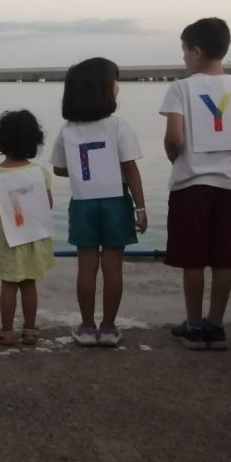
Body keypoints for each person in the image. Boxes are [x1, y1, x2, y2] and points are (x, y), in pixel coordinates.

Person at [161, 17, 231, 350]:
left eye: (184, 52)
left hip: (190, 185)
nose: (183, 59)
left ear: (197, 50)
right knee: (223, 259)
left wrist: (175, 155)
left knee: (193, 260)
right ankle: (215, 326)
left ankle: (193, 325)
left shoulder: (181, 88)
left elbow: (174, 137)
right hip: (228, 186)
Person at [52, 58, 147, 347]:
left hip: (83, 203)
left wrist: (81, 170)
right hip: (116, 201)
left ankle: (86, 326)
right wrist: (141, 207)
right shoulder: (118, 126)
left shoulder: (68, 130)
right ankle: (108, 327)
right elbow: (130, 169)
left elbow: (58, 168)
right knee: (113, 266)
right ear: (105, 90)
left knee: (86, 266)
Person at [0, 110, 53, 347]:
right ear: (34, 141)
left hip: (6, 239)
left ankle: (7, 331)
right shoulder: (40, 172)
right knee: (29, 284)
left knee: (8, 285)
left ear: (0, 140)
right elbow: (48, 204)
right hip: (31, 237)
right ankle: (30, 330)